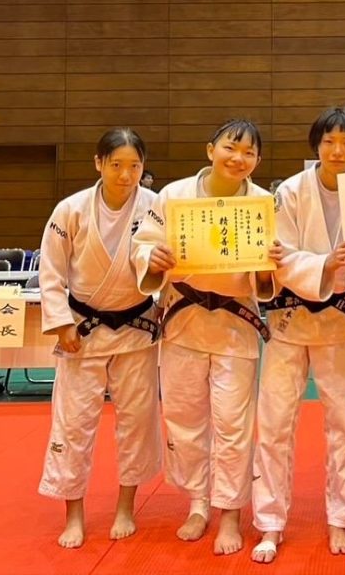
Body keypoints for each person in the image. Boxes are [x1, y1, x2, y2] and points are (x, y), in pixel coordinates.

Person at [131, 119, 282, 556]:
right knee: (185, 419)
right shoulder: (173, 196)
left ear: (258, 160)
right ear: (210, 149)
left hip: (236, 326)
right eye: (231, 147)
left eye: (249, 153)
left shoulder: (263, 203)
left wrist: (268, 267)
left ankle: (230, 511)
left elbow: (270, 278)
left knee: (234, 425)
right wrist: (153, 257)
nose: (239, 158)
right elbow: (142, 245)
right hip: (183, 320)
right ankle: (198, 502)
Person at [251, 107, 345, 564]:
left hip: (342, 325)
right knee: (274, 424)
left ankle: (341, 517)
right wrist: (327, 265)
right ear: (317, 145)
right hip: (290, 324)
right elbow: (278, 257)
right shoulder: (290, 192)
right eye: (329, 141)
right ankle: (270, 522)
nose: (337, 150)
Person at [37, 127, 161, 549]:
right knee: (73, 424)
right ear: (98, 163)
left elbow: (170, 264)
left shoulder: (156, 207)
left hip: (136, 329)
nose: (126, 175)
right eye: (116, 165)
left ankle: (126, 507)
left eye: (134, 166)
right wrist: (61, 323)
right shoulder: (70, 210)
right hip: (83, 331)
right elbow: (51, 272)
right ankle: (73, 513)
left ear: (143, 167)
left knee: (137, 423)